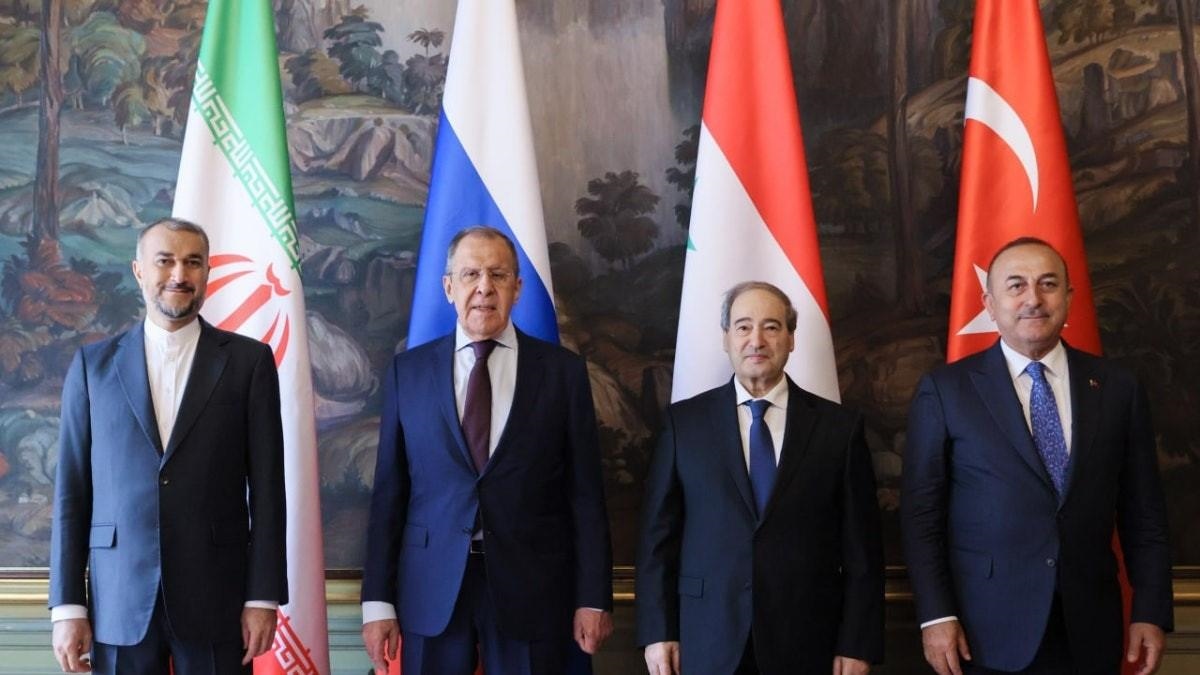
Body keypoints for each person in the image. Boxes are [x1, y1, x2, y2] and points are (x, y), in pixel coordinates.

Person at [902, 237, 1173, 675]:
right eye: (1016, 286)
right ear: (990, 304)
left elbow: (1145, 512)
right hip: (983, 631)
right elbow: (921, 516)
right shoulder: (947, 390)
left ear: (1069, 297)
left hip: (1090, 627)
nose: (1033, 299)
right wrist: (936, 615)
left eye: (1048, 284)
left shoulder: (1118, 388)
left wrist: (1151, 610)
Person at [360, 226, 613, 675]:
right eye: (470, 274)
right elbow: (389, 494)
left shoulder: (563, 373)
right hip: (430, 587)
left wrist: (593, 597)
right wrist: (377, 601)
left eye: (498, 274)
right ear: (448, 287)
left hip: (533, 588)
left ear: (517, 287)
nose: (484, 287)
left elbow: (586, 495)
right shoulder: (408, 373)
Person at [49, 218, 288, 675]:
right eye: (165, 261)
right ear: (139, 270)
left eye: (193, 262)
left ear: (207, 272)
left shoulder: (249, 362)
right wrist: (67, 606)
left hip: (218, 597)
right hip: (118, 600)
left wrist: (262, 597)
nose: (180, 274)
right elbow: (71, 494)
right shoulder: (91, 366)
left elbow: (269, 489)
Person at [636, 281, 884, 675]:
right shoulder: (684, 424)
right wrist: (657, 630)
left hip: (807, 639)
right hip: (705, 636)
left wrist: (857, 642)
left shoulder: (839, 428)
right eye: (743, 327)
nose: (757, 340)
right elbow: (658, 539)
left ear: (791, 339)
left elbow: (862, 549)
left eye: (771, 327)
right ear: (726, 338)